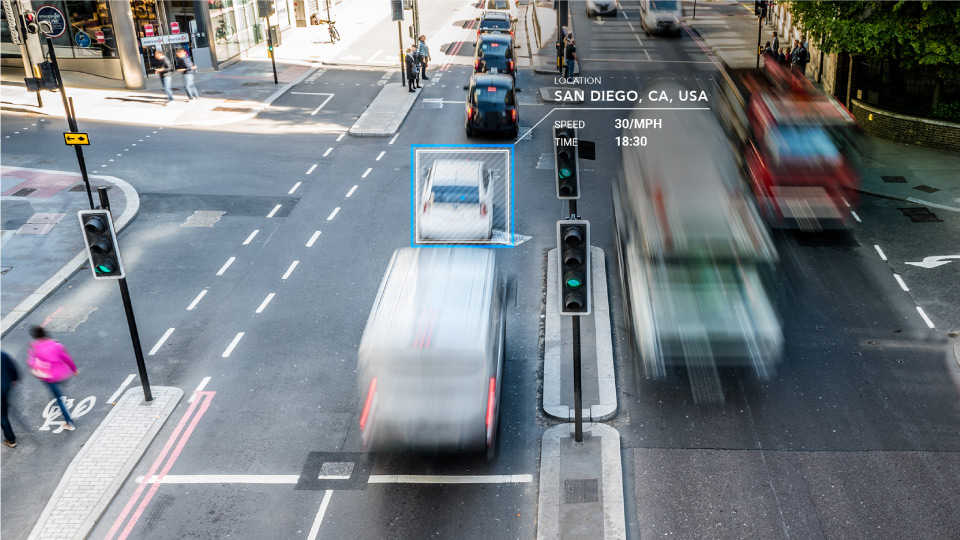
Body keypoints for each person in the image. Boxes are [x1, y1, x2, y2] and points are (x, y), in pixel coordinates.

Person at [27, 326, 78, 431]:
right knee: (59, 390)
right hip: (62, 374)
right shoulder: (56, 345)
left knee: (59, 399)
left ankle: (70, 423)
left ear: (34, 336)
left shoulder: (34, 347)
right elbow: (66, 358)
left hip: (48, 378)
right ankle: (60, 393)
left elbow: (31, 363)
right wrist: (74, 369)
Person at [1, 351, 18, 447]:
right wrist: (13, 379)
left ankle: (11, 439)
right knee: (3, 409)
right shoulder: (2, 354)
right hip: (5, 387)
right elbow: (12, 368)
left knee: (2, 416)